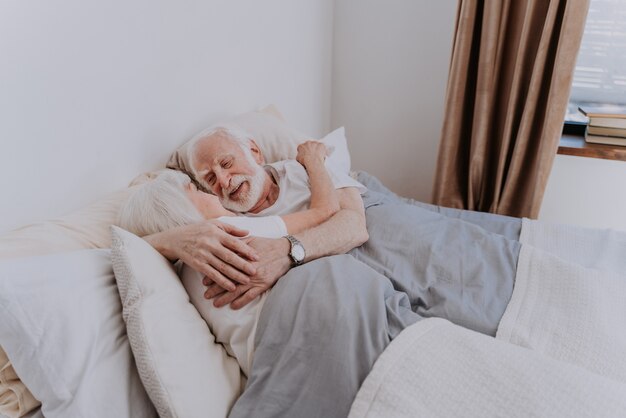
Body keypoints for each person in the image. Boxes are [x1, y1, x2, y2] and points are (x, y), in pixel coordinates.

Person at [118, 140, 344, 375]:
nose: (212, 192)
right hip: (301, 334)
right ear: (181, 207)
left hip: (260, 361)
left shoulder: (185, 272)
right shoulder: (226, 229)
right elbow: (326, 212)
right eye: (196, 189)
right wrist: (314, 160)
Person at [145, 126, 368, 310]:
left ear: (255, 152)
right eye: (210, 179)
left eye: (226, 164)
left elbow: (354, 225)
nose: (223, 181)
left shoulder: (303, 168)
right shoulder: (229, 226)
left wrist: (288, 250)